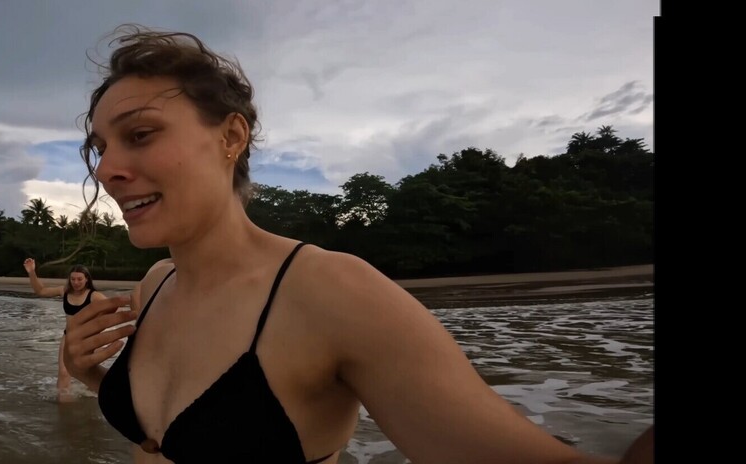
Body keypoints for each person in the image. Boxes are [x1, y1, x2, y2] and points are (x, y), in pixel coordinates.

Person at [61, 24, 655, 463]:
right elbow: (163, 439)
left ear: (231, 136)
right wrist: (92, 376)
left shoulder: (330, 293)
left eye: (140, 134)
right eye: (100, 149)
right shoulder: (156, 285)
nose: (108, 169)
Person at [23, 258, 107, 403]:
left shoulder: (94, 296)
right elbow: (41, 291)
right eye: (73, 279)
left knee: (88, 371)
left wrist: (95, 327)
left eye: (79, 279)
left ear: (86, 279)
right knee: (63, 372)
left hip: (87, 339)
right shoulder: (64, 291)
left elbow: (112, 307)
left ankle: (98, 400)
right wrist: (31, 272)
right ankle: (64, 406)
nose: (76, 282)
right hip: (68, 337)